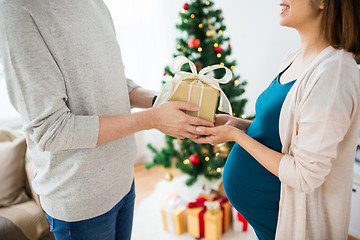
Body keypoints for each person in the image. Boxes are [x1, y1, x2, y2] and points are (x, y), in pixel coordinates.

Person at [0, 0, 213, 239]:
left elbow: (112, 84)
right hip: (80, 201)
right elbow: (51, 130)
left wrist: (162, 101)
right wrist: (153, 119)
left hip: (123, 178)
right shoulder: (20, 10)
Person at [194, 0, 360, 239]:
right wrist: (236, 124)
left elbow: (305, 175)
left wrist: (235, 136)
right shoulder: (294, 58)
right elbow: (284, 136)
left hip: (289, 222)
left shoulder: (334, 74)